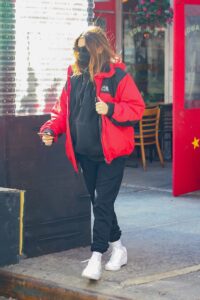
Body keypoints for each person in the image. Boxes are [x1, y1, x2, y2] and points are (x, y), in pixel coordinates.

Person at [39, 26, 145, 280]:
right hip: (84, 152)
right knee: (102, 204)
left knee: (102, 203)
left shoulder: (116, 75)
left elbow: (136, 108)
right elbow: (62, 110)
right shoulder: (73, 75)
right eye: (77, 48)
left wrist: (110, 108)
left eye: (84, 48)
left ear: (98, 47)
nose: (79, 53)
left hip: (112, 153)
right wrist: (51, 129)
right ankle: (118, 248)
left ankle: (97, 255)